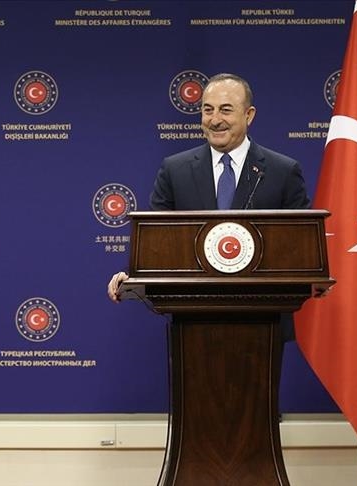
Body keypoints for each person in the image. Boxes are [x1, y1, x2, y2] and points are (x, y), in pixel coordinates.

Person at [107, 73, 310, 337]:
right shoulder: (175, 170)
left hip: (264, 320)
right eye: (207, 110)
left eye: (225, 110)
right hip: (192, 319)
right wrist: (131, 275)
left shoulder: (282, 171)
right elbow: (155, 241)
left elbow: (299, 246)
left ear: (249, 115)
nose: (215, 120)